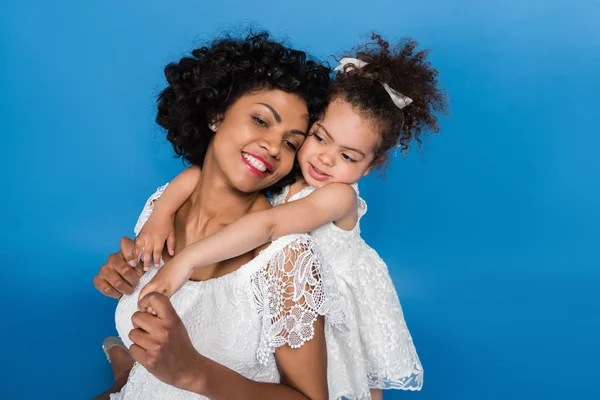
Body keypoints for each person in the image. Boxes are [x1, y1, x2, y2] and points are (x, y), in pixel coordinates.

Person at [133, 34, 448, 399]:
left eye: (348, 156)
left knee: (355, 382)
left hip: (334, 312)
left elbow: (269, 225)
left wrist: (185, 260)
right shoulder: (290, 169)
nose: (325, 159)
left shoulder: (336, 194)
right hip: (292, 297)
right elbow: (195, 176)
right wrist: (161, 215)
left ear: (371, 165)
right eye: (319, 137)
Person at [92, 32, 345, 400]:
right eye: (261, 120)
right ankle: (124, 375)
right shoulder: (163, 205)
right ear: (216, 115)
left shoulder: (287, 260)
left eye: (291, 142)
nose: (274, 147)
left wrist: (195, 374)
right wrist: (121, 273)